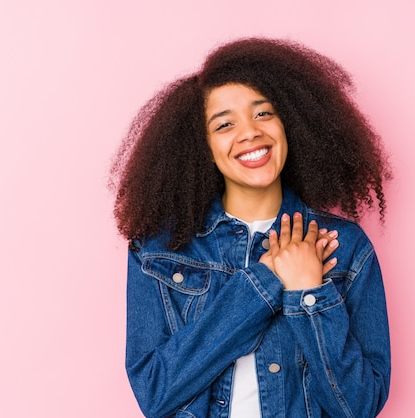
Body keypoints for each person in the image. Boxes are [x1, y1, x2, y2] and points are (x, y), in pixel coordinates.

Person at [110, 37, 392, 418]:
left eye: (263, 114)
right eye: (225, 124)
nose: (249, 133)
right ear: (202, 146)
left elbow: (360, 406)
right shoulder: (158, 250)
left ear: (289, 122)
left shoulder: (345, 247)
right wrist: (267, 278)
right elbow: (156, 393)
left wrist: (309, 293)